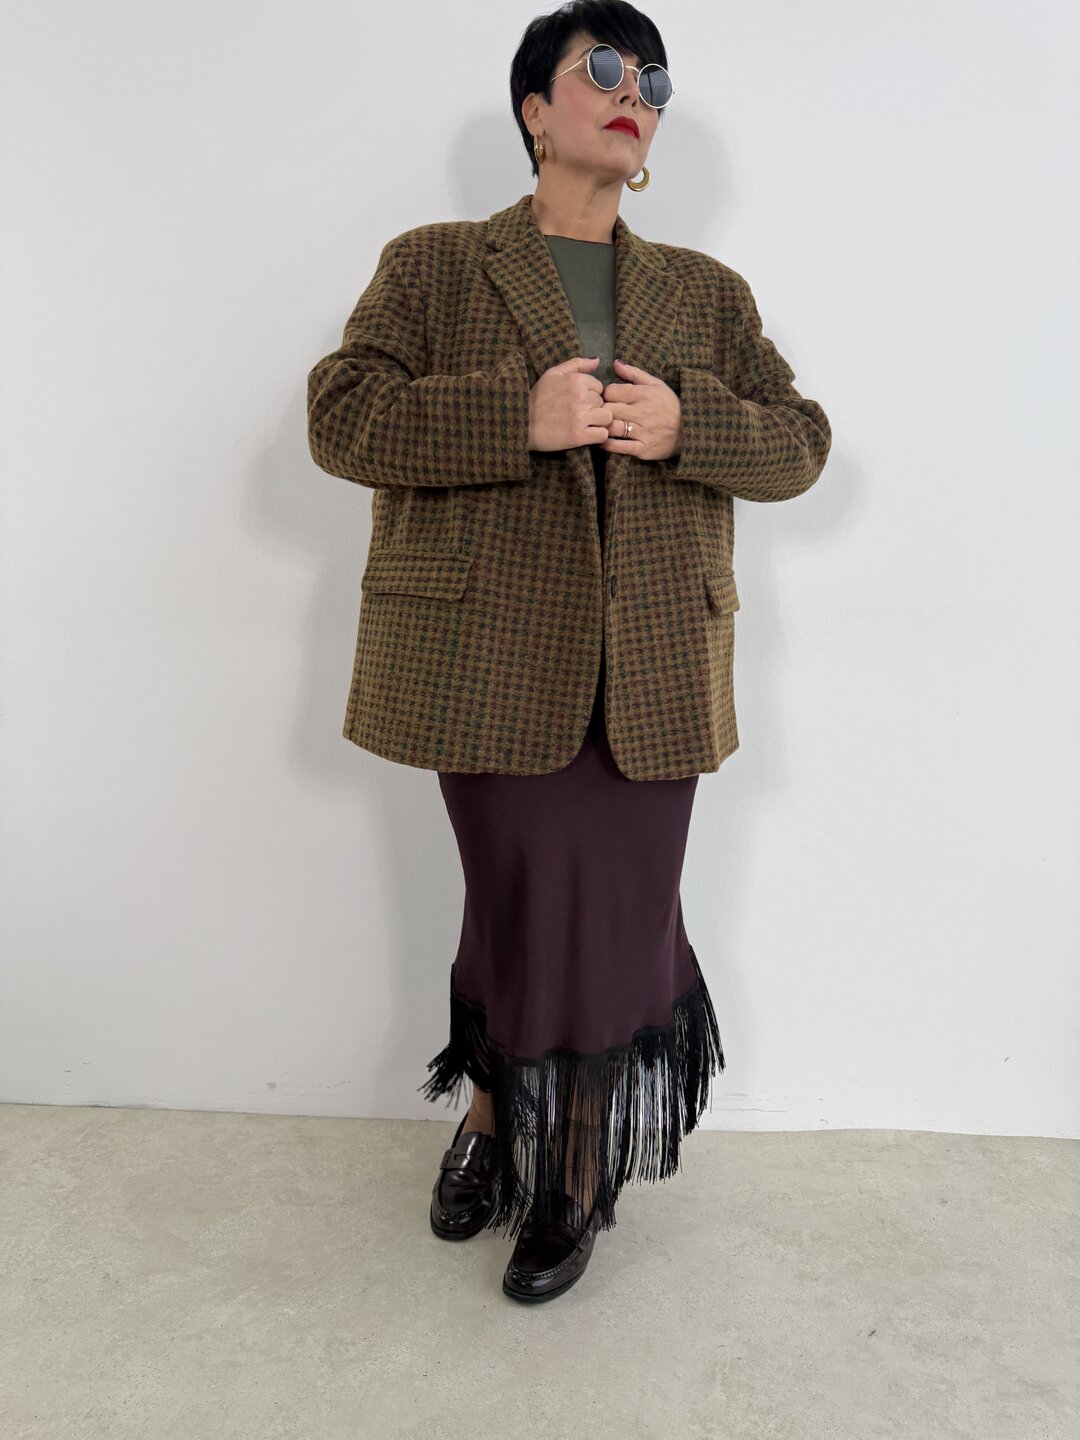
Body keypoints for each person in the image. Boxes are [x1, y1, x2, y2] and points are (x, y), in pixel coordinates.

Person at [306, 0, 832, 1304]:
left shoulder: (705, 293)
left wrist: (692, 427)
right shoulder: (436, 266)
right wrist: (517, 416)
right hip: (489, 660)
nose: (632, 90)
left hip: (652, 668)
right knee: (515, 900)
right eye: (603, 68)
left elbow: (801, 442)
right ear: (536, 109)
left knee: (617, 919)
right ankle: (494, 1114)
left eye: (651, 76)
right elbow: (342, 414)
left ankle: (579, 1166)